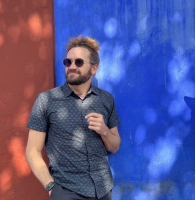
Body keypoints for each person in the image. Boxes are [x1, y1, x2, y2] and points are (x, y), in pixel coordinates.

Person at [26, 36, 121, 200]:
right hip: (67, 191)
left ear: (94, 68)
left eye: (79, 62)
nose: (71, 66)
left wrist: (104, 130)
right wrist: (51, 188)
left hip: (103, 189)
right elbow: (32, 151)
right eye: (67, 62)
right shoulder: (46, 100)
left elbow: (114, 146)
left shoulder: (106, 99)